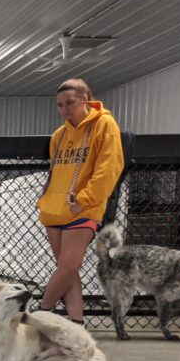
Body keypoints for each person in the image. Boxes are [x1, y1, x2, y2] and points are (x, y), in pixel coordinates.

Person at [36, 78, 124, 324]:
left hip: (83, 208)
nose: (65, 109)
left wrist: (85, 199)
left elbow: (109, 168)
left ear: (85, 99)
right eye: (60, 105)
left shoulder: (104, 125)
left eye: (70, 103)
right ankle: (76, 323)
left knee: (67, 267)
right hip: (54, 211)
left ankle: (41, 312)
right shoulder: (59, 135)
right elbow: (55, 172)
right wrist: (45, 200)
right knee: (69, 272)